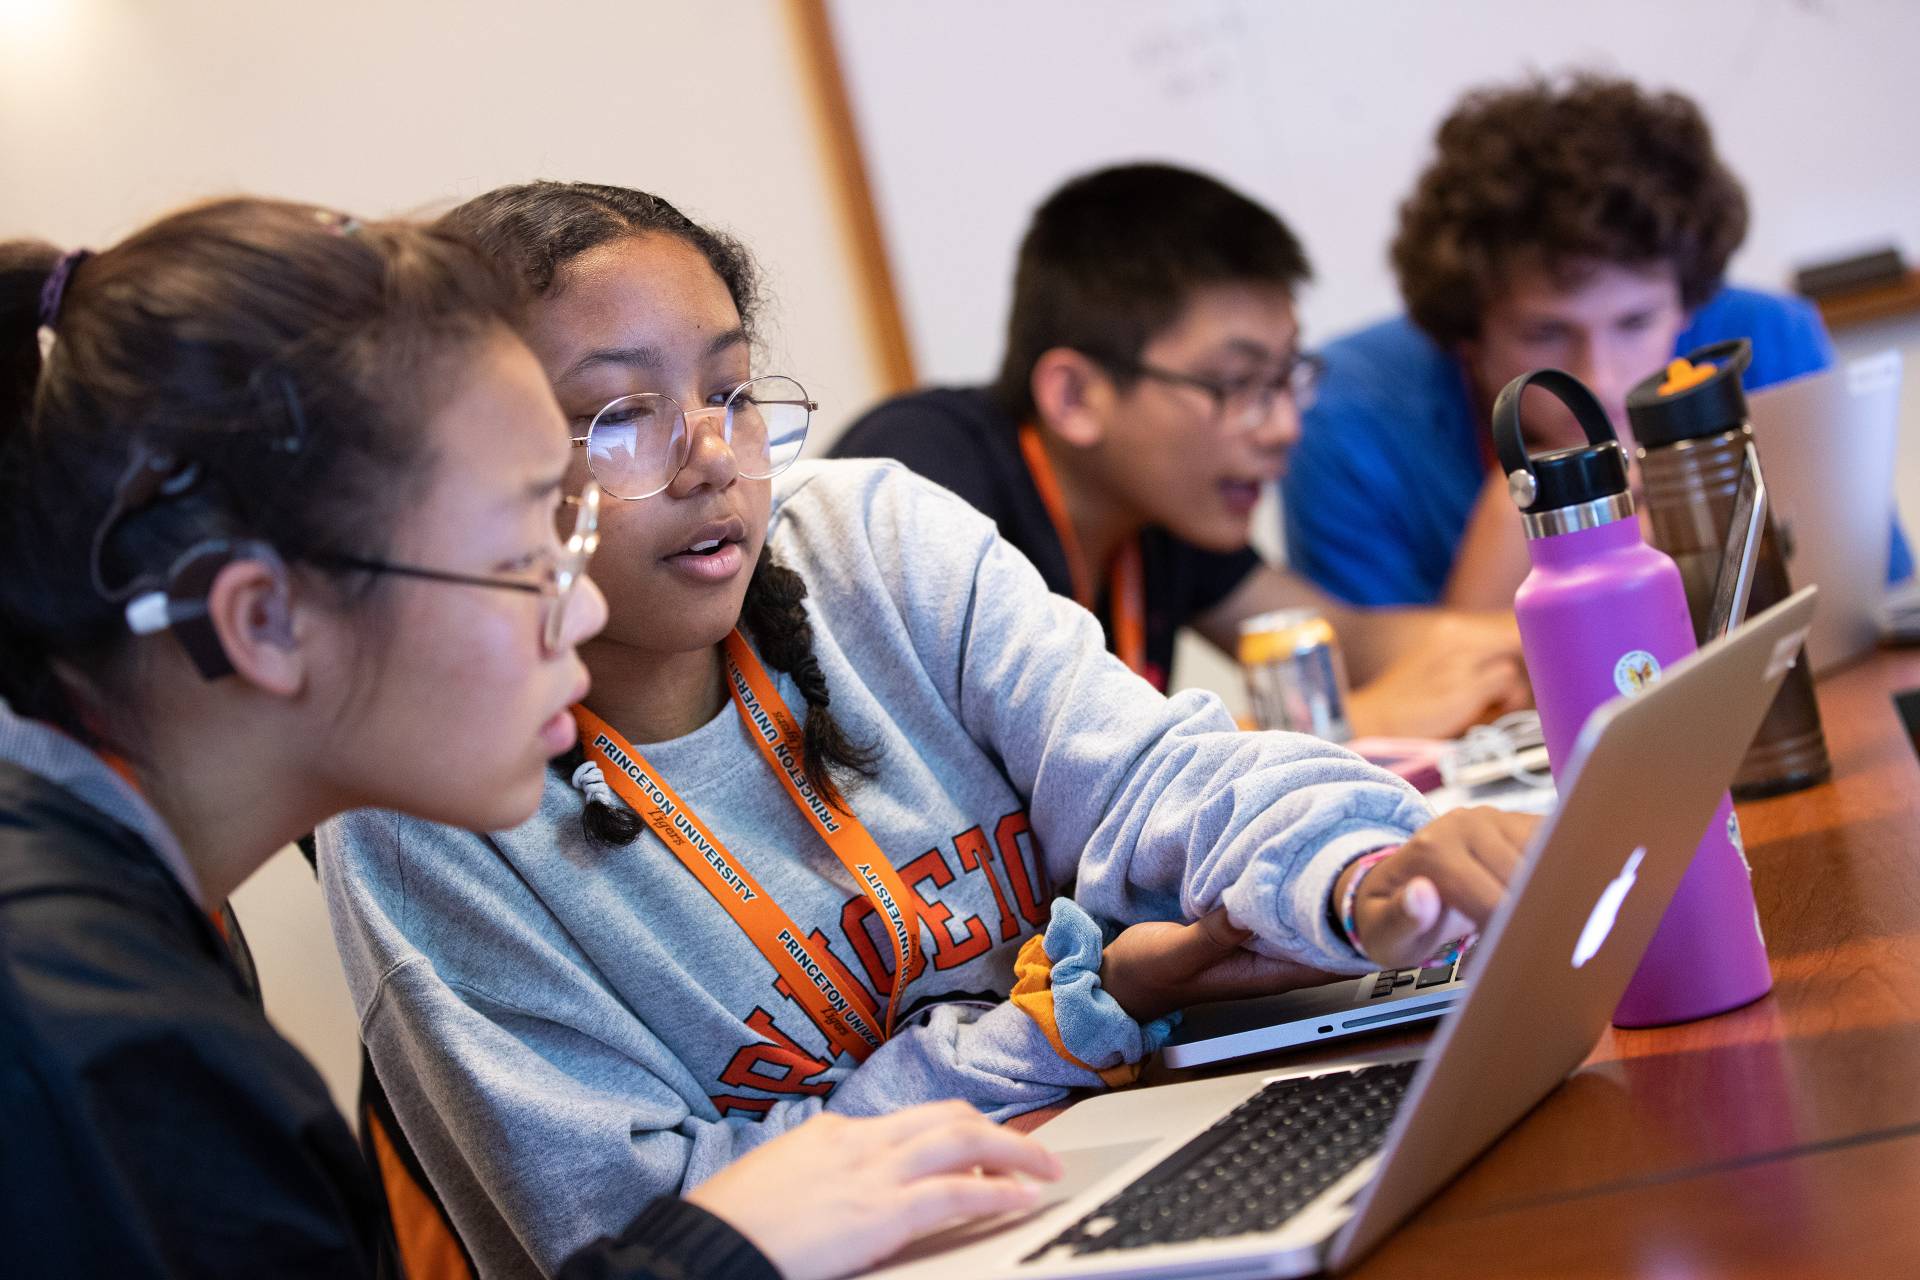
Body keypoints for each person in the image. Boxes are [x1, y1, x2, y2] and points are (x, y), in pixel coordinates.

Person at [317, 180, 1539, 1279]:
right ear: (484, 470)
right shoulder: (429, 801)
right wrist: (1054, 1027)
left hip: (1106, 1153)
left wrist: (1364, 873)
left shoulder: (870, 541)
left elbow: (1157, 773)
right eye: (620, 414)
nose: (710, 459)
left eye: (732, 392)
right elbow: (675, 1235)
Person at [0, 199, 1062, 1280]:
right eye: (522, 558)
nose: (583, 612)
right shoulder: (95, 1048)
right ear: (264, 620)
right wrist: (714, 1248)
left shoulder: (124, 919)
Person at [832, 163, 1527, 740]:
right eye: (1237, 383)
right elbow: (993, 796)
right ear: (1075, 396)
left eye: (1286, 378)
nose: (1284, 425)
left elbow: (1341, 642)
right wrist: (1350, 724)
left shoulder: (1156, 511)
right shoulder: (924, 482)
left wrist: (1542, 635)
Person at [1285, 72, 1915, 611]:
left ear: (1688, 305)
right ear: (1467, 338)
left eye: (1636, 323)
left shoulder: (1771, 343)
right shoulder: (1345, 421)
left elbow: (1874, 609)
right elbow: (1373, 728)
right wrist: (1508, 546)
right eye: (1545, 334)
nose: (1602, 381)